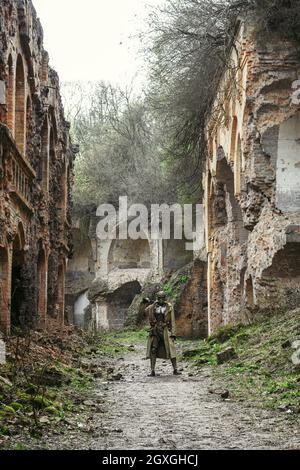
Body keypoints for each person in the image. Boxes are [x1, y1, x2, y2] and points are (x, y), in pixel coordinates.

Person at [146, 291, 181, 376]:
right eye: (159, 298)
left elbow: (172, 320)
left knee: (171, 349)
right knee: (153, 350)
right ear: (157, 298)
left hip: (166, 330)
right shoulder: (153, 307)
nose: (161, 300)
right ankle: (152, 370)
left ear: (165, 298)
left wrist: (173, 333)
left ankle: (175, 369)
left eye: (162, 298)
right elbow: (146, 311)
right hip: (155, 330)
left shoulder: (169, 307)